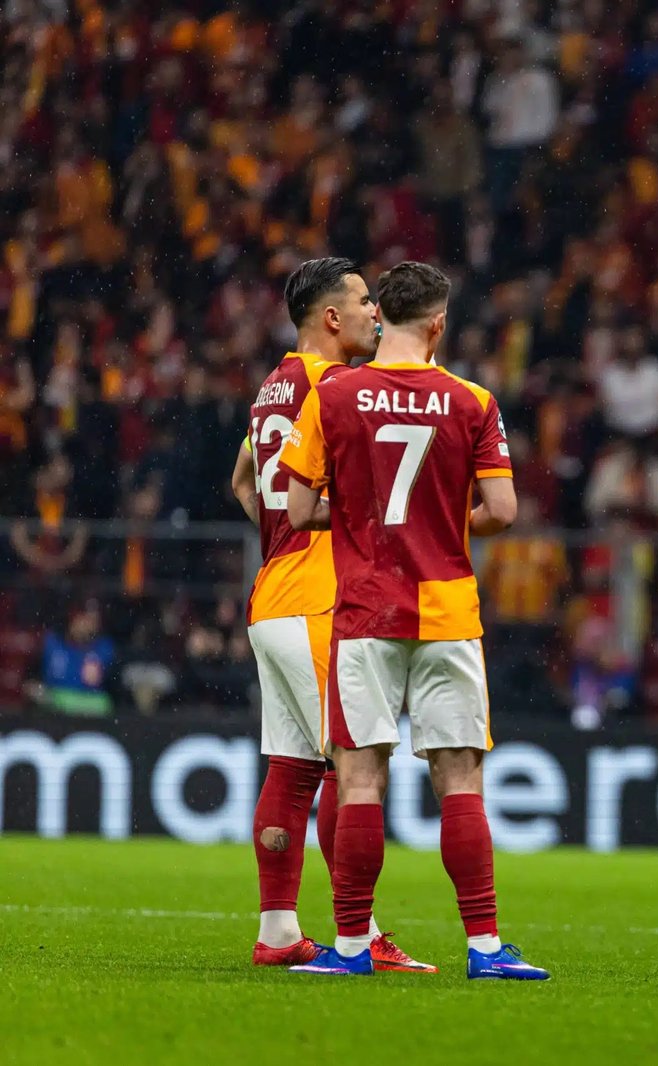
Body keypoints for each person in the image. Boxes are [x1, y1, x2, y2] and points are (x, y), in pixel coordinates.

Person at [277, 261, 546, 980]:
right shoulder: (473, 400)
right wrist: (434, 518)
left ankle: (354, 946)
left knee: (361, 778)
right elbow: (504, 511)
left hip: (365, 608)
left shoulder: (333, 395)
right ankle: (486, 948)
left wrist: (369, 521)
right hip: (448, 609)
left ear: (382, 317)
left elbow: (299, 512)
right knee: (459, 779)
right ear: (437, 323)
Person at [228, 257, 429, 973]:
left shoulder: (274, 386)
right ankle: (360, 933)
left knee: (291, 769)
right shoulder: (341, 388)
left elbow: (244, 479)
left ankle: (279, 932)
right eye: (367, 301)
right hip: (317, 601)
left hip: (271, 596)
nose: (378, 312)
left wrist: (281, 535)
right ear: (332, 318)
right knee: (357, 762)